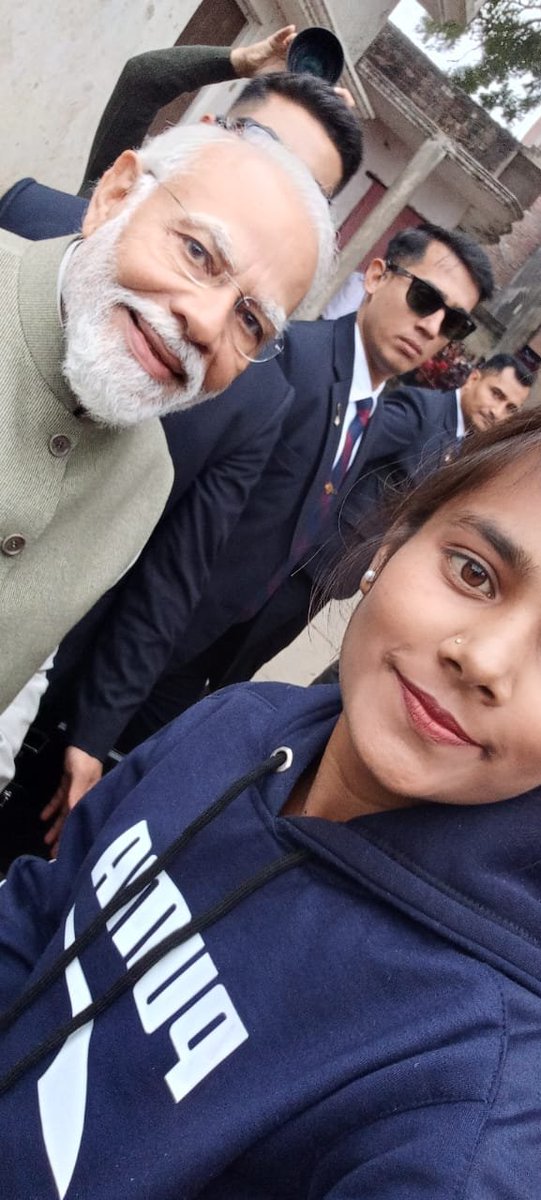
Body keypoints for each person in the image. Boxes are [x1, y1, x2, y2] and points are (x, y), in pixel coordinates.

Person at [2, 409, 541, 1197]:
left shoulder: (473, 1080)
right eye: (472, 572)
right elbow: (44, 910)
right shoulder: (236, 726)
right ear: (389, 548)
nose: (482, 661)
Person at [39, 220, 494, 834]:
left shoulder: (375, 414)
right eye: (425, 299)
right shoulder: (282, 363)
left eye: (455, 322)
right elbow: (165, 547)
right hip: (106, 667)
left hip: (189, 683)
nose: (433, 327)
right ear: (378, 276)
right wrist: (97, 717)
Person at [0, 119, 334, 777]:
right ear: (117, 194)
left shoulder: (148, 477)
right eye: (199, 253)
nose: (206, 324)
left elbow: (29, 652)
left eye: (249, 321)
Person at [0, 27, 361, 241]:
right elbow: (143, 81)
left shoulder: (233, 353)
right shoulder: (99, 213)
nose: (272, 183)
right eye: (264, 143)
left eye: (305, 188)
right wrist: (241, 62)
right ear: (210, 131)